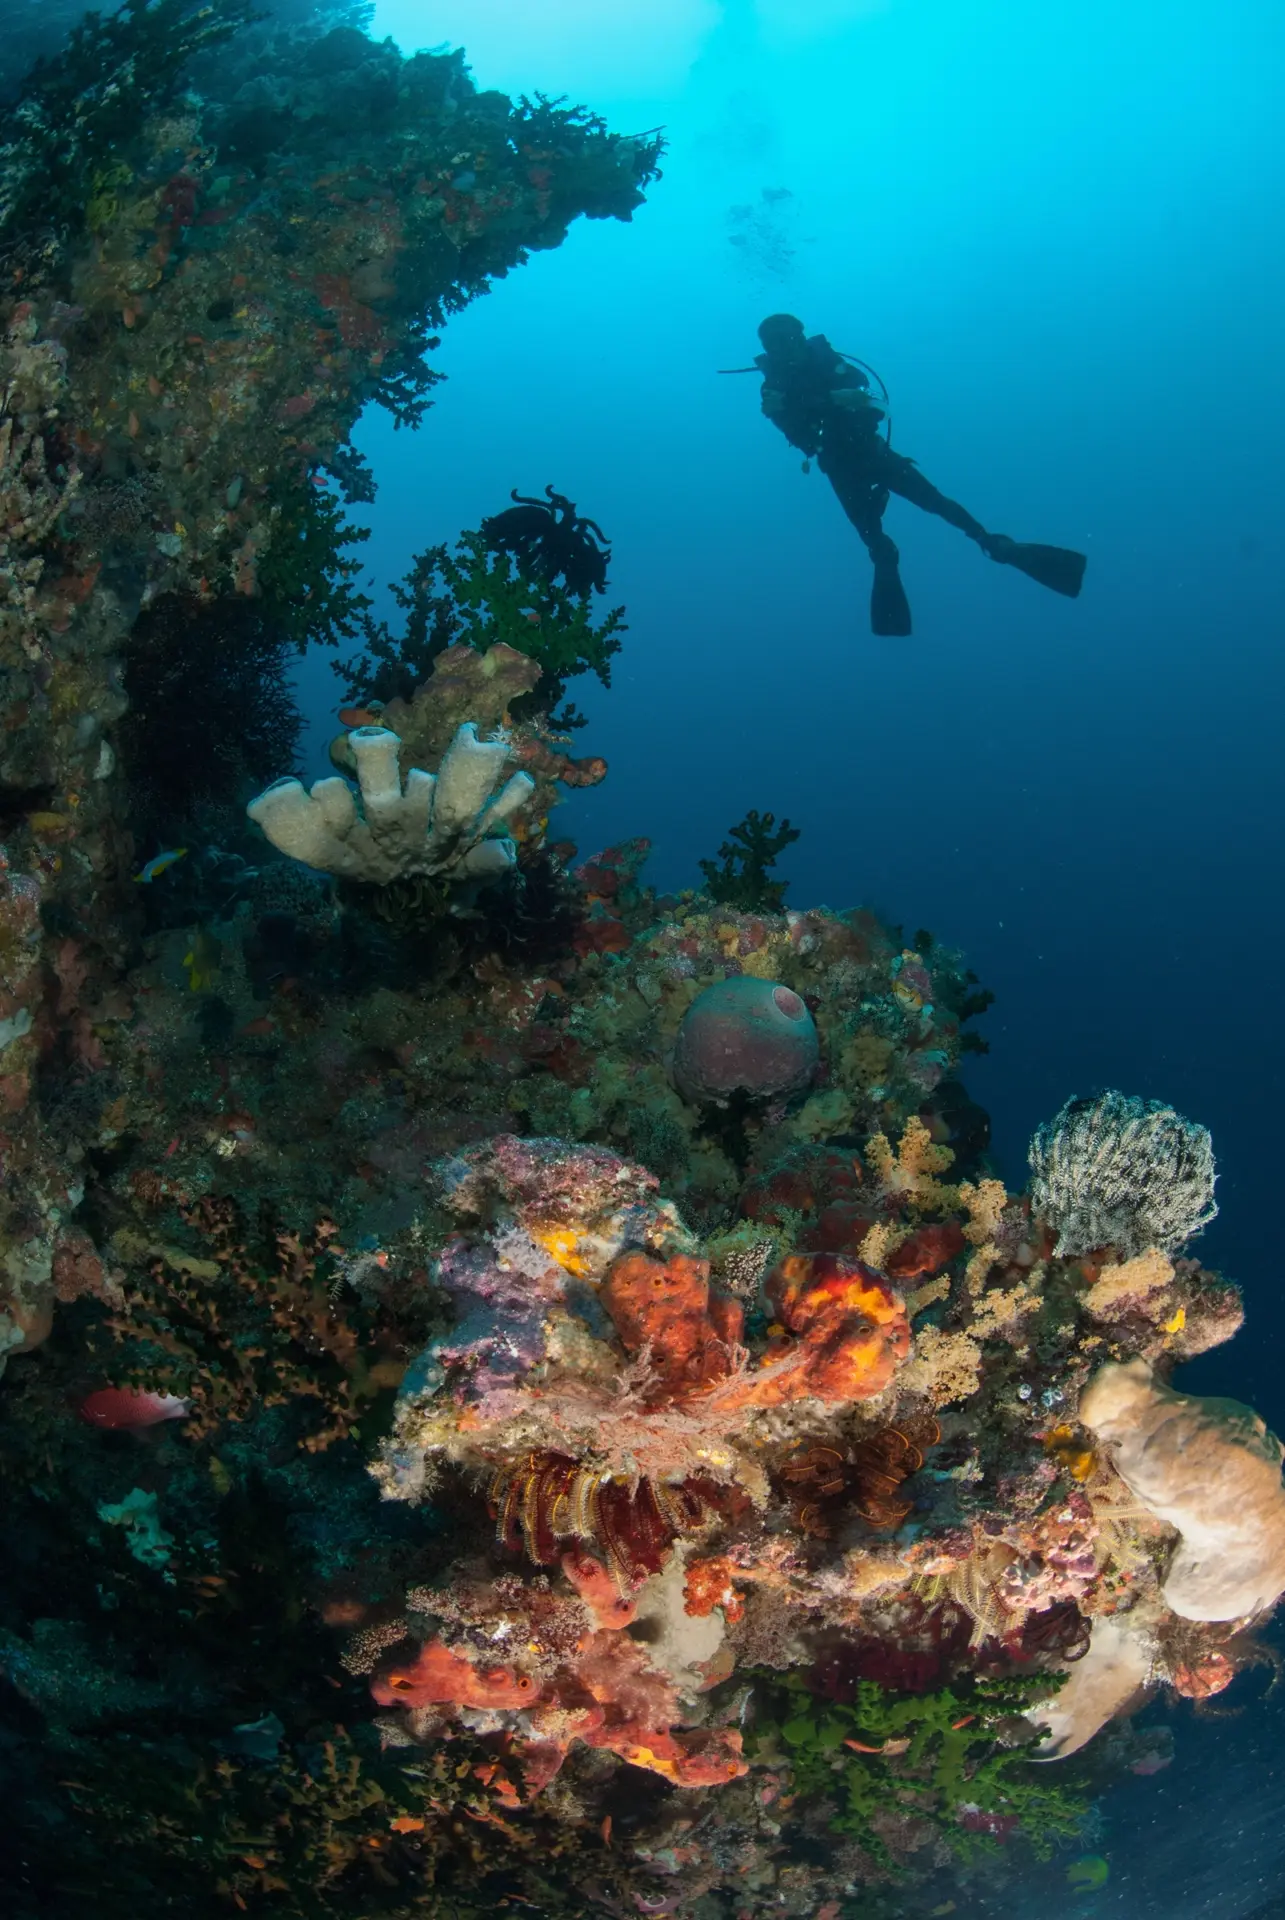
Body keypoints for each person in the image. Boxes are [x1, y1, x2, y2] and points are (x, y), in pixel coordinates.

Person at [754, 313, 1086, 636]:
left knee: (937, 503)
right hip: (840, 467)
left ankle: (997, 545)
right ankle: (890, 559)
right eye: (777, 344)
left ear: (800, 337)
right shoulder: (774, 387)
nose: (786, 349)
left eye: (789, 339)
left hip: (872, 454)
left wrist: (818, 403)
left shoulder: (827, 363)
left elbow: (865, 394)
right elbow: (796, 432)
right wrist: (817, 404)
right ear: (770, 350)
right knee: (879, 537)